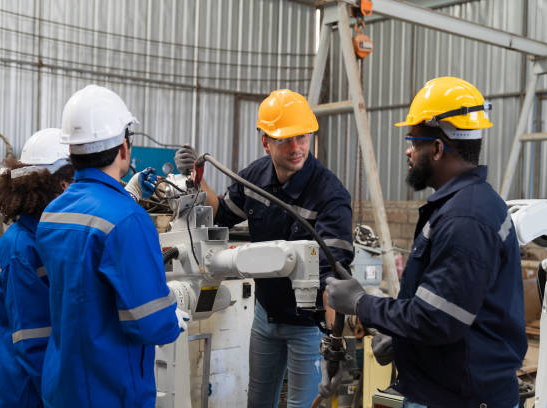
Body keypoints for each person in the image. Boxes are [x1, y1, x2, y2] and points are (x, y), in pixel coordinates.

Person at [325, 77, 527, 408]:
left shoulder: (465, 218)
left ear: (436, 149)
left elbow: (437, 321)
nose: (407, 150)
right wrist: (405, 339)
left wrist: (362, 303)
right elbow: (450, 307)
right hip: (447, 389)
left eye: (413, 141)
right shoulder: (464, 205)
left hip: (458, 399)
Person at [175, 89, 354, 408]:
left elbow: (334, 279)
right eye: (285, 139)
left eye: (302, 137)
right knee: (257, 402)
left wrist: (335, 346)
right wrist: (196, 178)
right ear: (266, 142)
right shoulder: (254, 178)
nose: (296, 148)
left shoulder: (330, 196)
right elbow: (221, 215)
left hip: (308, 326)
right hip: (265, 315)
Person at [35, 85, 187, 408]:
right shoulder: (128, 219)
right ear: (124, 148)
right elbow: (148, 322)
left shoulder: (52, 213)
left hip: (61, 386)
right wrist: (171, 319)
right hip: (111, 391)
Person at [0, 128, 74, 408]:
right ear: (53, 184)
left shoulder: (47, 235)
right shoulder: (20, 249)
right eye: (70, 180)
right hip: (29, 394)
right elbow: (32, 341)